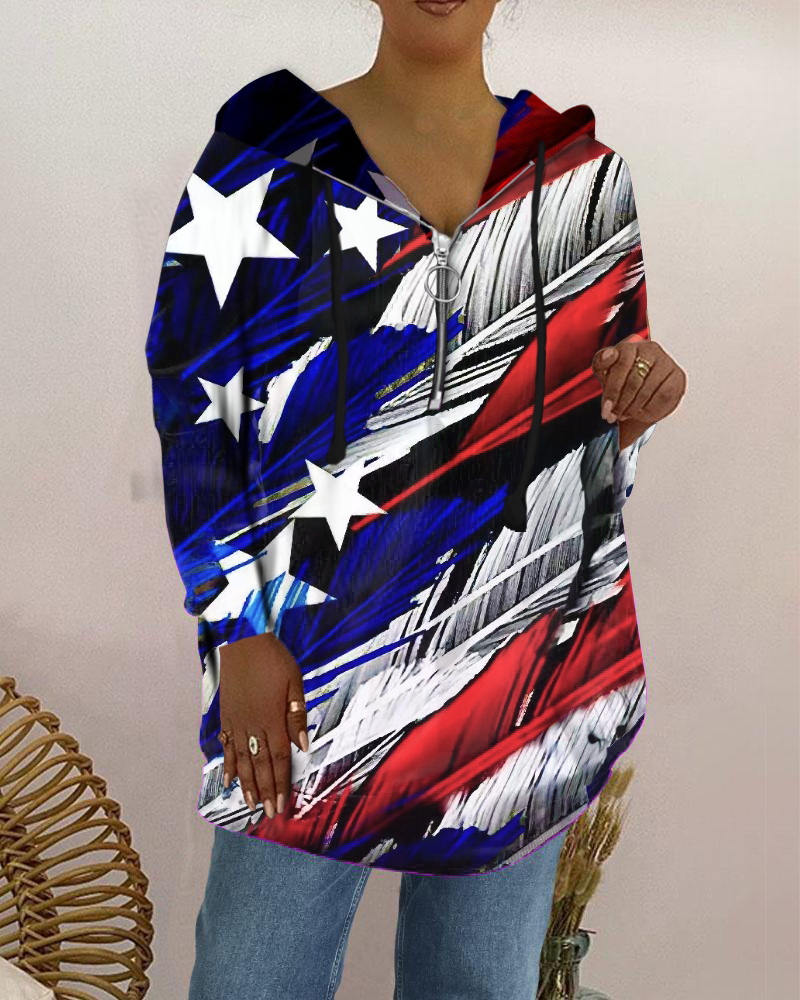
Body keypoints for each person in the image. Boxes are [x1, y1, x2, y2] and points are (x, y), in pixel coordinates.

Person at [144, 1, 687, 995]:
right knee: (250, 975)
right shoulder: (263, 164)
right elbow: (198, 408)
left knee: (477, 980)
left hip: (515, 665)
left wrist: (635, 408)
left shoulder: (583, 183)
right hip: (310, 662)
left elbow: (588, 438)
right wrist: (237, 626)